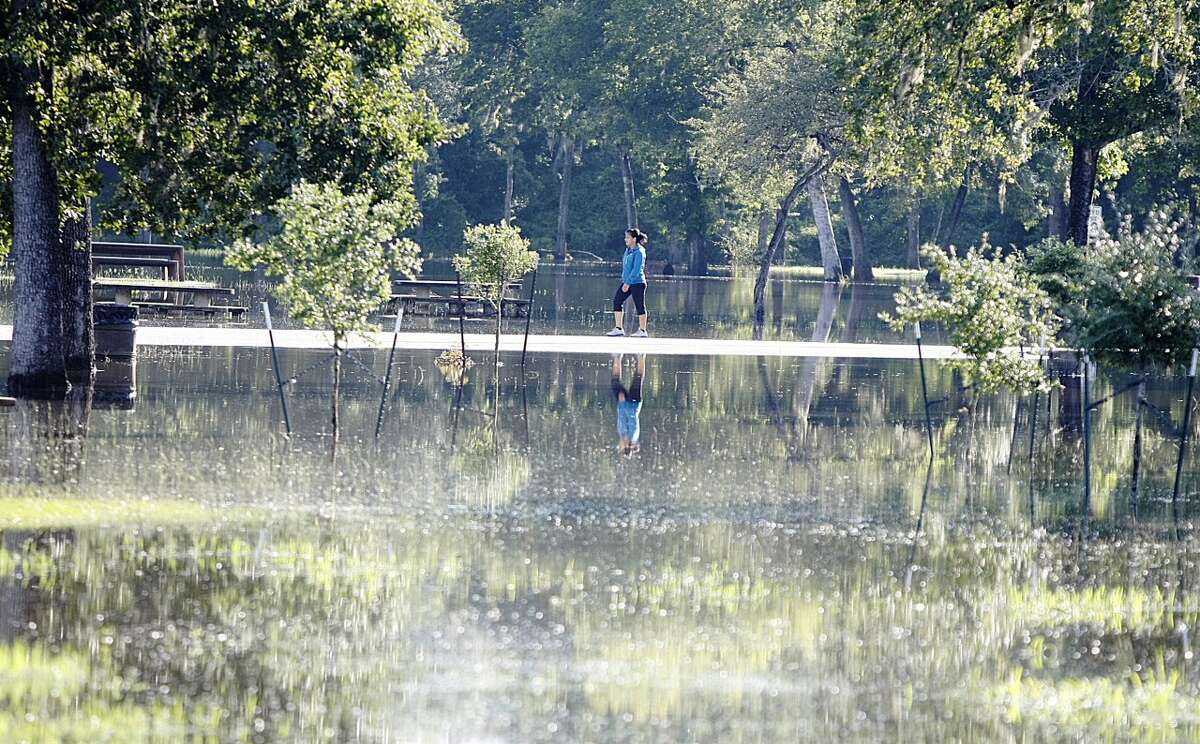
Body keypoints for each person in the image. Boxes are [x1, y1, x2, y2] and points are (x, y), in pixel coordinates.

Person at [606, 228, 649, 337]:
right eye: (625, 237)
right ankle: (619, 328)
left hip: (637, 283)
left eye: (628, 237)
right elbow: (626, 267)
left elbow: (637, 269)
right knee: (617, 301)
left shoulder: (640, 252)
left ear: (634, 239)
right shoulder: (628, 250)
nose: (625, 239)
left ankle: (643, 331)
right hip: (627, 281)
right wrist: (625, 281)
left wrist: (628, 283)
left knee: (639, 305)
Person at [611, 353, 645, 456]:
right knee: (638, 379)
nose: (618, 445)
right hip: (633, 404)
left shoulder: (622, 434)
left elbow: (621, 417)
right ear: (626, 446)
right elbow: (632, 417)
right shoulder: (632, 435)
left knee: (614, 382)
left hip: (623, 404)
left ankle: (617, 357)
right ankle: (641, 356)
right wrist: (624, 402)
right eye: (620, 447)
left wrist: (621, 404)